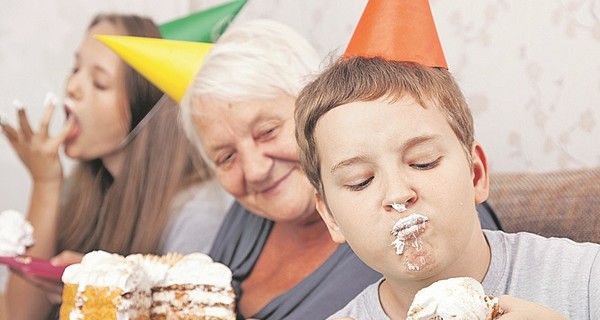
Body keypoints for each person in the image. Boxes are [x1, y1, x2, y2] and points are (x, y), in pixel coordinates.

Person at [294, 56, 600, 319]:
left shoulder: (587, 278)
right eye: (360, 181)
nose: (399, 195)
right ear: (331, 218)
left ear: (476, 174)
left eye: (423, 162)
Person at [0, 13, 232, 319]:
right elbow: (18, 316)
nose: (72, 86)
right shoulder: (84, 185)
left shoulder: (196, 215)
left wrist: (108, 288)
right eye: (75, 68)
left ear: (143, 114)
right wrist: (46, 183)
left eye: (99, 82)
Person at [176, 19, 383, 319]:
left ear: (316, 109)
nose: (255, 170)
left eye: (267, 131)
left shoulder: (393, 222)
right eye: (226, 157)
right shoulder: (245, 218)